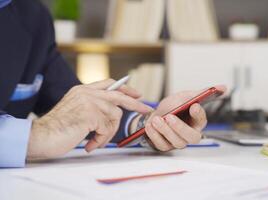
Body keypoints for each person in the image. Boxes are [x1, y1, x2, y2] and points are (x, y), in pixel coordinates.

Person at [0, 0, 225, 168]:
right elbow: (57, 124)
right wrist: (35, 137)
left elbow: (70, 103)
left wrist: (146, 124)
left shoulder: (31, 15)